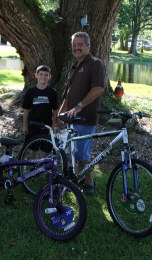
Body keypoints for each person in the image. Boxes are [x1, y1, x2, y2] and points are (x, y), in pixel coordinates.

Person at [58, 31, 106, 195]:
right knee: (72, 152)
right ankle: (76, 180)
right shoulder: (75, 66)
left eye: (80, 45)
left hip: (85, 118)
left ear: (88, 46)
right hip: (71, 118)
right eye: (74, 45)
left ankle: (89, 182)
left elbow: (99, 88)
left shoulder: (95, 63)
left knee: (81, 153)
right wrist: (61, 112)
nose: (77, 48)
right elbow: (68, 93)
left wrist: (79, 106)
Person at [22, 65, 58, 156]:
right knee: (33, 149)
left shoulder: (52, 92)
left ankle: (46, 167)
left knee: (47, 149)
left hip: (47, 125)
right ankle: (34, 167)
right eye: (41, 74)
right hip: (33, 124)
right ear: (36, 75)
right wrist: (24, 125)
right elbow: (26, 110)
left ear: (49, 77)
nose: (43, 77)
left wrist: (54, 126)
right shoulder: (30, 92)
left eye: (46, 75)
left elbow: (55, 111)